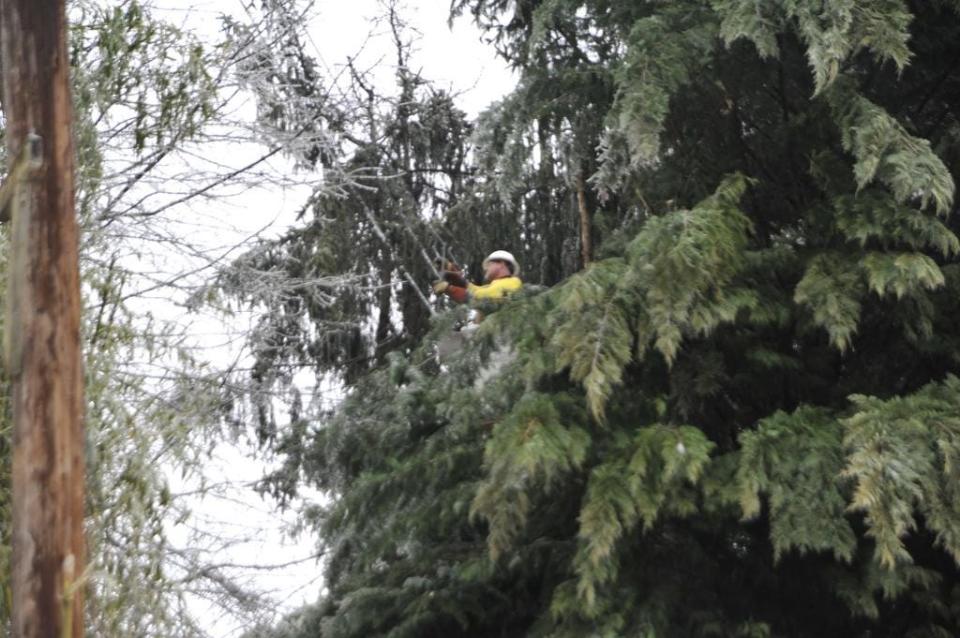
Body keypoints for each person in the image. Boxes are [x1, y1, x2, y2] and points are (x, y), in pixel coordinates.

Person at [432, 250, 522, 304]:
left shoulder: (513, 282)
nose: (486, 269)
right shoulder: (496, 285)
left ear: (502, 264)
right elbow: (474, 289)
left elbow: (481, 298)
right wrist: (452, 270)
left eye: (489, 265)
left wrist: (449, 288)